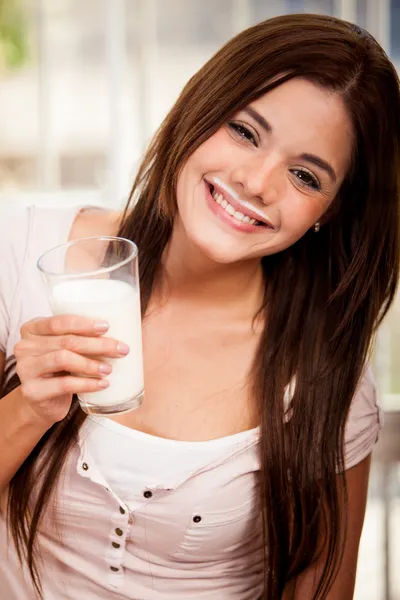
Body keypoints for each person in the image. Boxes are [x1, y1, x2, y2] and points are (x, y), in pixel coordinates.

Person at [0, 12, 399, 600]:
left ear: (330, 213)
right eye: (245, 132)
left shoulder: (324, 379)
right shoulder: (25, 256)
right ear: (202, 107)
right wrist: (28, 407)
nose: (257, 181)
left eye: (306, 176)